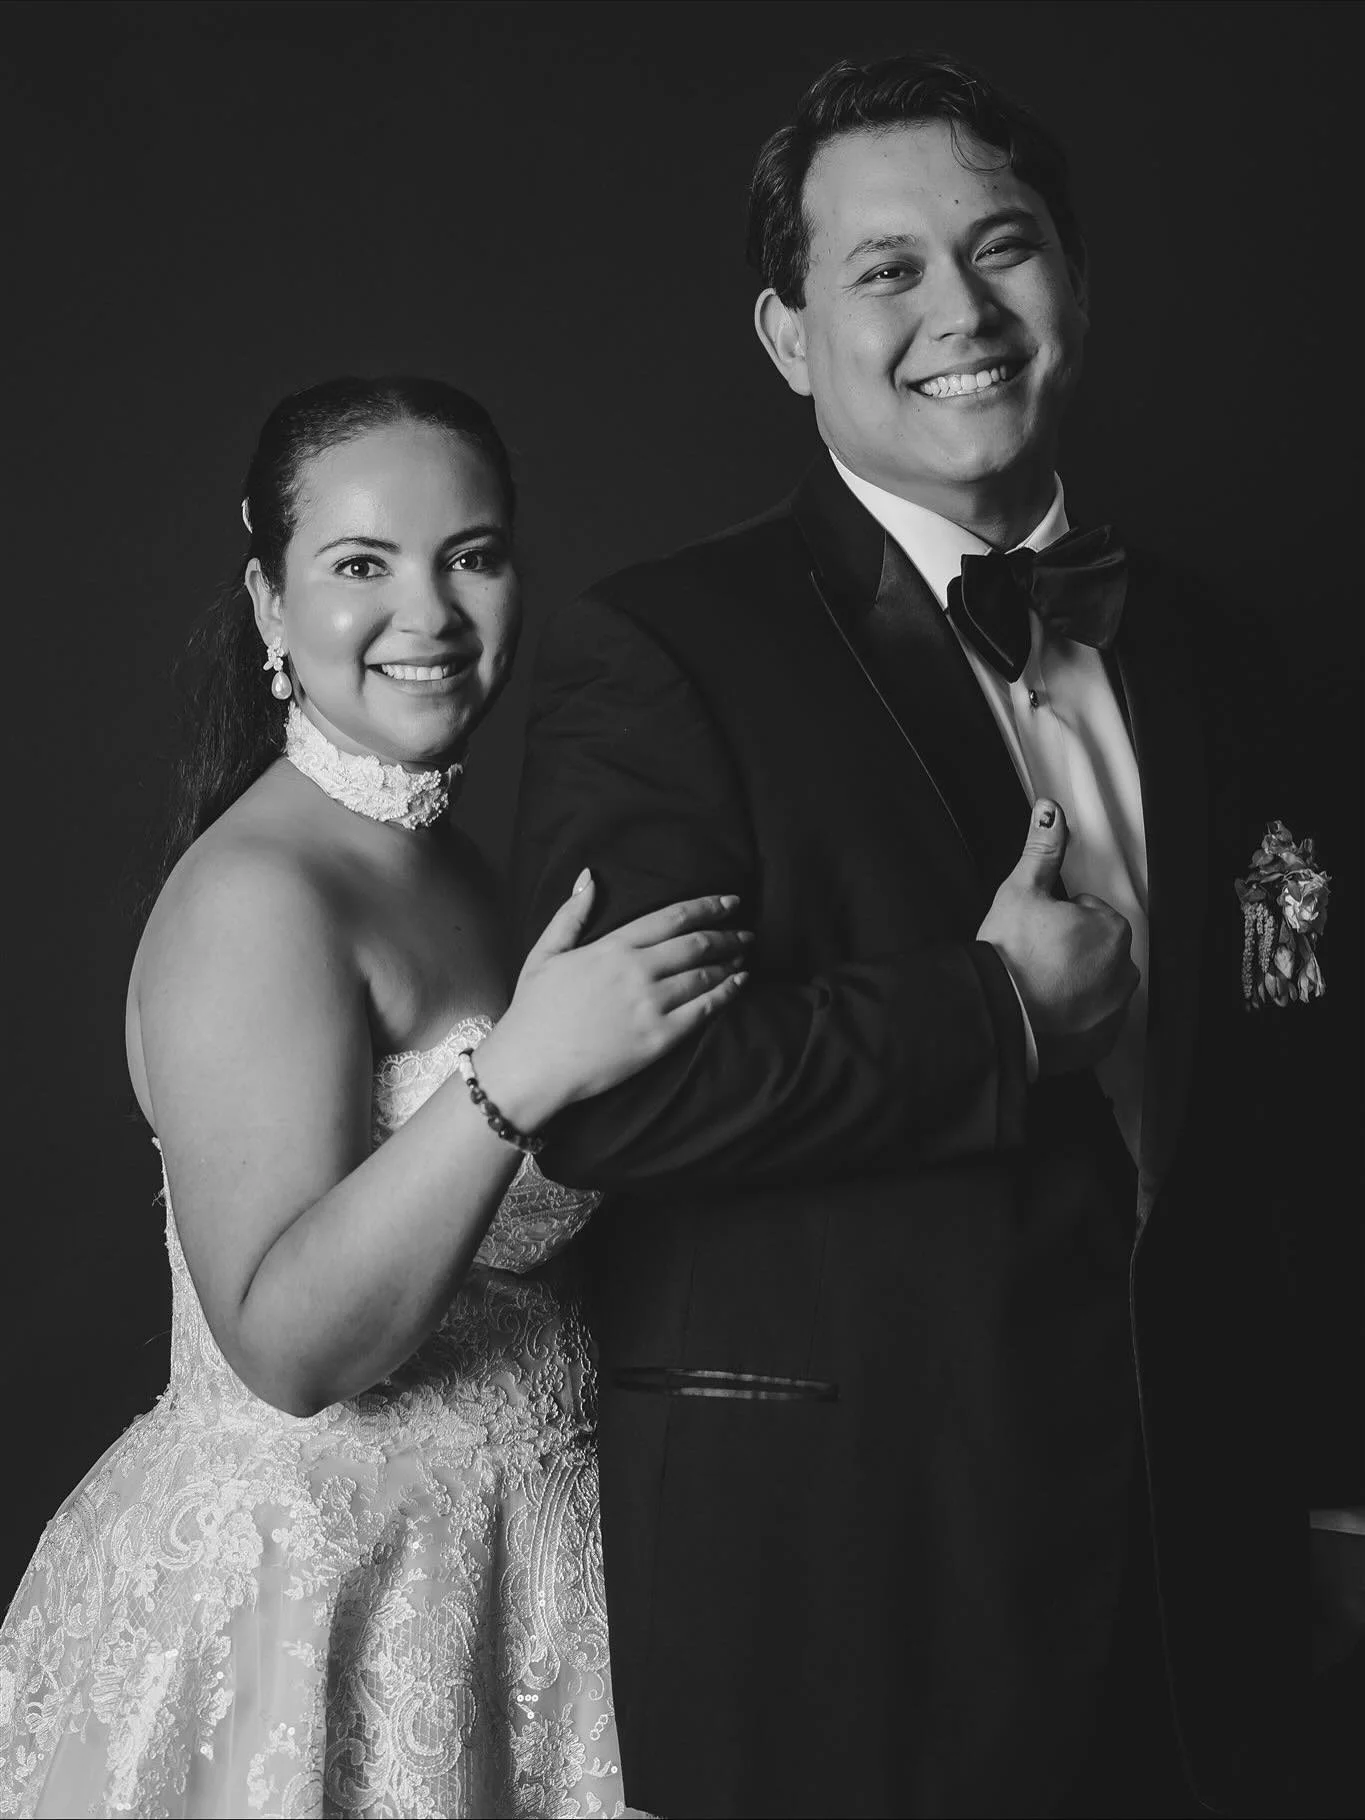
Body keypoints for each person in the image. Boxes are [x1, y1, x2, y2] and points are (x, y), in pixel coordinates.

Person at [512, 52, 1311, 1819]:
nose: (962, 308)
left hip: (1195, 1575)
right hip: (857, 1586)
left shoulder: (1224, 653)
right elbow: (615, 1102)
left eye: (1004, 246)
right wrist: (999, 1017)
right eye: (885, 268)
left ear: (1075, 286)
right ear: (790, 335)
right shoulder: (660, 652)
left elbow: (1283, 1046)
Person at [0, 375, 750, 1818]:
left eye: (470, 555)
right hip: (315, 1622)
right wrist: (518, 1076)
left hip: (518, 1596)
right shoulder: (257, 897)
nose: (431, 614)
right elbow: (286, 1343)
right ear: (271, 605)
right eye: (361, 565)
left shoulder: (459, 863)